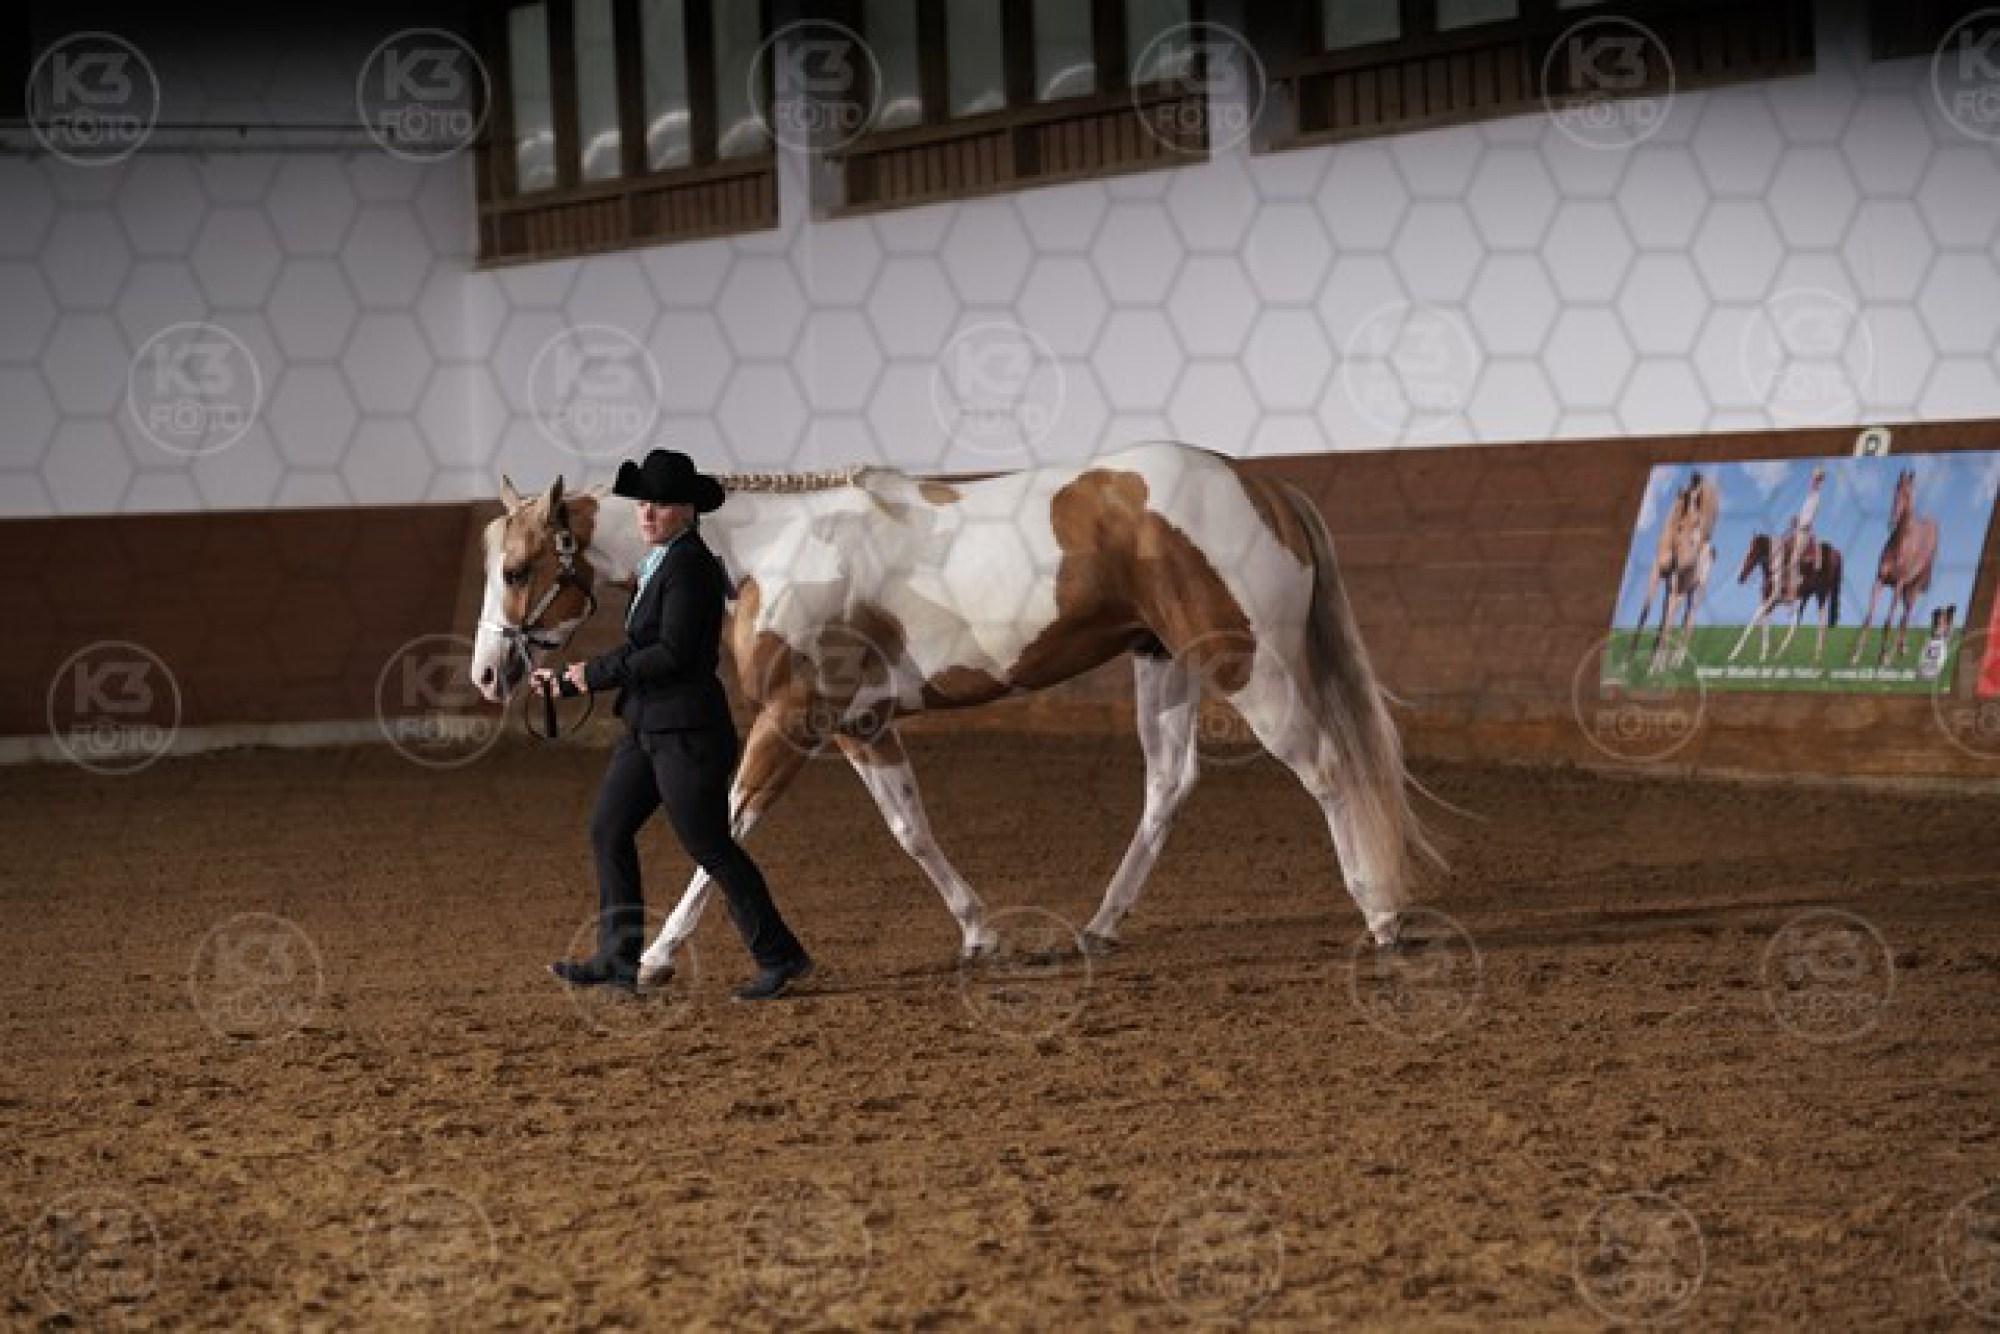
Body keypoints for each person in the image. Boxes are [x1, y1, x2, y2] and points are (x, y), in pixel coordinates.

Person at [533, 448, 813, 1002]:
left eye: (660, 505)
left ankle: (780, 955)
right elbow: (641, 645)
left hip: (686, 733)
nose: (647, 513)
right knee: (608, 829)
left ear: (687, 510)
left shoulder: (689, 567)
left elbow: (672, 653)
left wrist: (592, 676)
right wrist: (571, 679)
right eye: (643, 503)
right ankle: (617, 959)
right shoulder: (661, 563)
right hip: (647, 728)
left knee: (710, 846)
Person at [1785, 466, 1826, 601]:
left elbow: (1808, 520)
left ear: (1818, 482)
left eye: (1815, 479)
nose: (1811, 482)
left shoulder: (1815, 499)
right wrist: (1796, 518)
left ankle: (1794, 592)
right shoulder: (1809, 498)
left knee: (1793, 561)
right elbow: (1803, 515)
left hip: (1803, 532)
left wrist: (1798, 522)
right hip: (1798, 530)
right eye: (1812, 479)